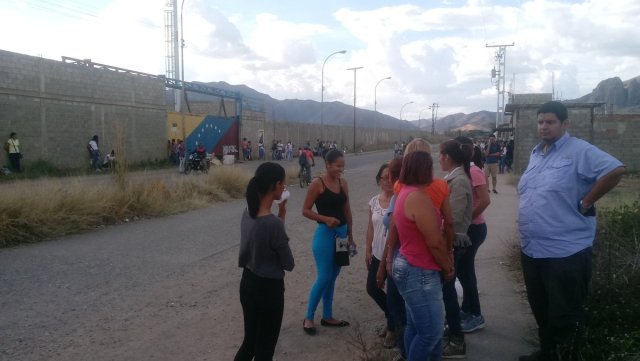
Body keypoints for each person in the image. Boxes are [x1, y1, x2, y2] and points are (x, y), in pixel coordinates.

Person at [518, 101, 625, 361]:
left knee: (565, 313)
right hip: (533, 249)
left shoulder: (579, 150)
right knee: (541, 308)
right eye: (541, 121)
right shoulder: (537, 152)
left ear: (565, 124)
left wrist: (587, 201)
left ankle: (566, 355)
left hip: (565, 252)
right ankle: (548, 353)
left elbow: (615, 169)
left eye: (551, 121)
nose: (544, 126)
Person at [390, 151, 453, 361]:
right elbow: (434, 242)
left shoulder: (404, 192)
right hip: (420, 271)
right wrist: (447, 265)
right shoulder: (418, 198)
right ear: (425, 170)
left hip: (409, 265)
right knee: (431, 333)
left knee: (416, 328)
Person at [234, 162, 295, 361]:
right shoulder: (272, 224)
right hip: (269, 290)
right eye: (283, 184)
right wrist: (280, 221)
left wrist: (282, 214)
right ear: (276, 185)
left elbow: (268, 239)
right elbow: (288, 263)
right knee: (265, 348)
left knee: (250, 342)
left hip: (248, 284)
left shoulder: (248, 213)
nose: (284, 188)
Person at [302, 149, 355, 335]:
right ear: (328, 165)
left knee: (333, 277)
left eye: (343, 165)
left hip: (341, 235)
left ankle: (327, 316)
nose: (341, 169)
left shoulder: (343, 183)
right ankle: (308, 317)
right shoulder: (318, 184)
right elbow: (305, 210)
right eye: (337, 166)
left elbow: (347, 211)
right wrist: (325, 219)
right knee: (324, 276)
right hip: (325, 234)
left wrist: (351, 236)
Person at [438, 139, 473, 359]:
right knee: (446, 290)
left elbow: (454, 217)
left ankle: (457, 339)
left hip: (453, 242)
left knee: (447, 291)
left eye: (441, 155)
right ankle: (452, 330)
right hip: (450, 240)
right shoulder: (453, 177)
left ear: (448, 157)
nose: (439, 159)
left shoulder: (458, 181)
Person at [454, 136, 491, 334]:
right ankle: (467, 310)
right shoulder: (464, 170)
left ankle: (475, 315)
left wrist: (466, 220)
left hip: (474, 229)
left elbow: (485, 201)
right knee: (464, 271)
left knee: (465, 272)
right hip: (469, 228)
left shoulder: (474, 171)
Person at [365, 163, 395, 348]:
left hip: (392, 254)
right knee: (372, 288)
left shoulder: (399, 200)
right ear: (379, 180)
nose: (388, 181)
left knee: (392, 292)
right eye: (385, 177)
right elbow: (370, 227)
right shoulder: (374, 201)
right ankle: (392, 316)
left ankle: (393, 327)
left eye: (392, 177)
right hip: (377, 253)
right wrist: (367, 249)